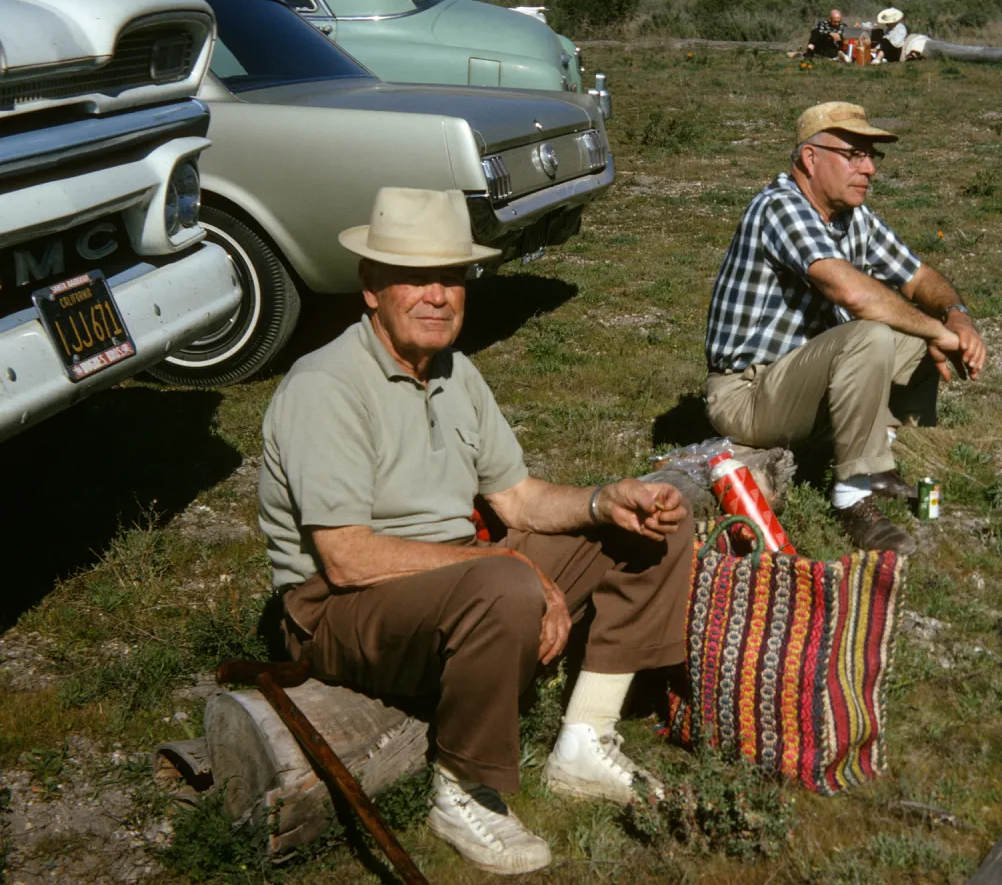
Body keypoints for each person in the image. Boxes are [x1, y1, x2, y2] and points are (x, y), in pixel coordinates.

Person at [258, 187, 693, 876]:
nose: (437, 296)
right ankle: (462, 787)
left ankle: (585, 736)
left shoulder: (454, 371)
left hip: (453, 574)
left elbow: (517, 498)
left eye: (451, 278)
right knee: (500, 582)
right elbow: (343, 557)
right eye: (414, 277)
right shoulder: (326, 387)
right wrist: (511, 572)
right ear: (371, 288)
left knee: (656, 521)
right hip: (336, 608)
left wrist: (605, 500)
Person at [703, 103, 987, 555]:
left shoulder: (851, 217)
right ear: (810, 159)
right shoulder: (781, 207)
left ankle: (874, 464)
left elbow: (918, 276)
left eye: (872, 156)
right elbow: (850, 293)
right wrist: (938, 333)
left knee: (915, 331)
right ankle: (851, 497)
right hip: (746, 395)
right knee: (872, 333)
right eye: (854, 155)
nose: (869, 168)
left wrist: (954, 315)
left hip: (792, 379)